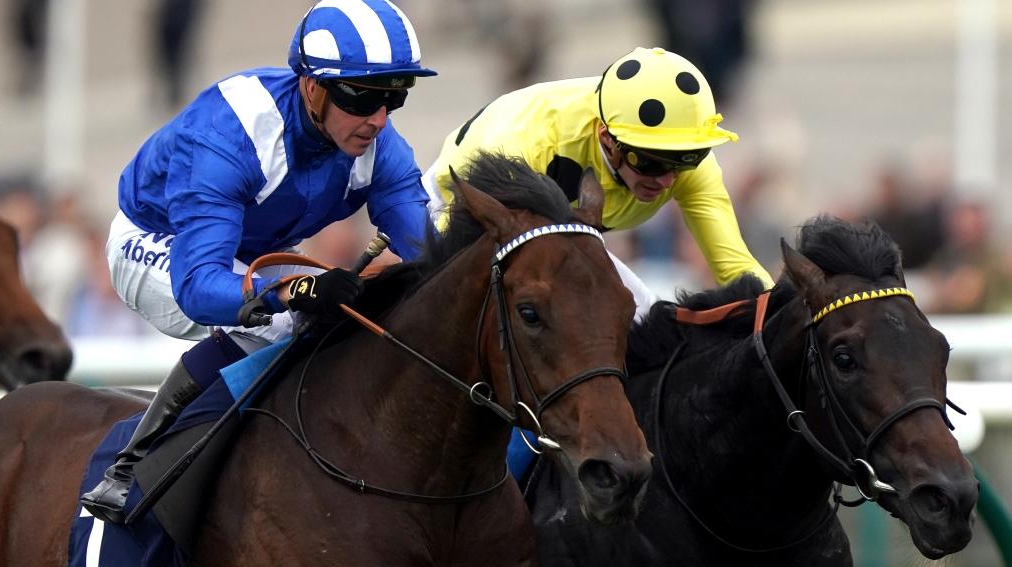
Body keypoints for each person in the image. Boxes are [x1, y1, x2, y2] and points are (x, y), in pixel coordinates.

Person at [81, 0, 436, 523]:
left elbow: (432, 255)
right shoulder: (231, 135)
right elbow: (199, 286)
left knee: (349, 318)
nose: (379, 120)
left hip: (250, 255)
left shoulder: (380, 147)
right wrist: (289, 291)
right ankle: (130, 468)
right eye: (362, 97)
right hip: (160, 243)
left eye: (394, 97)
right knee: (284, 321)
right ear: (312, 87)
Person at [423, 46, 772, 321]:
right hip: (458, 207)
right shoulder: (530, 144)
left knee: (647, 321)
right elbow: (463, 256)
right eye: (650, 162)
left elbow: (735, 268)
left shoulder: (679, 151)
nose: (667, 179)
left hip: (560, 230)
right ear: (607, 138)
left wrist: (785, 318)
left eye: (686, 160)